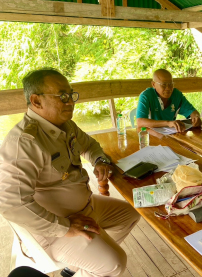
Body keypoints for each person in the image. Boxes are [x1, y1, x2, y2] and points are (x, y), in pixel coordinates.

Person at [0, 69, 140, 277]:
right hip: (54, 229)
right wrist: (64, 227)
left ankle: (75, 267)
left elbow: (89, 145)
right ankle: (90, 264)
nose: (70, 102)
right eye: (62, 96)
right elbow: (12, 204)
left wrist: (99, 160)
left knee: (130, 214)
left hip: (86, 207)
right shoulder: (24, 143)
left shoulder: (66, 126)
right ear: (36, 101)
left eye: (71, 95)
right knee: (115, 263)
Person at [136, 69, 202, 132]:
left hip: (171, 134)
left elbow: (192, 112)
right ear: (154, 84)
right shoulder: (146, 96)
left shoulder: (176, 95)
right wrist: (167, 123)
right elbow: (140, 122)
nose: (168, 88)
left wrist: (196, 117)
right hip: (150, 136)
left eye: (170, 84)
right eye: (163, 85)